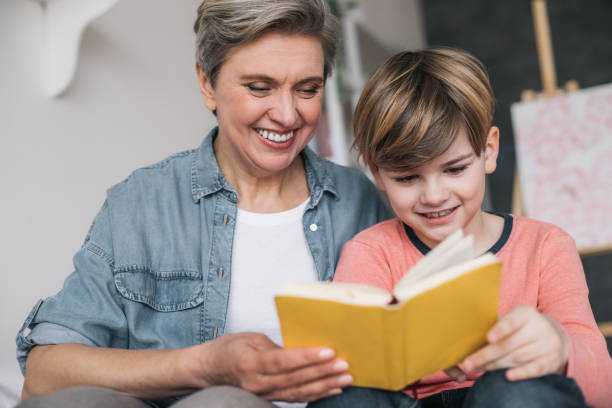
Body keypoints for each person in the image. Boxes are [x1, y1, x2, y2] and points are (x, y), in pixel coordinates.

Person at [15, 1, 392, 407]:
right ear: (207, 84)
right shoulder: (142, 204)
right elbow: (43, 377)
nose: (286, 115)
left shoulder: (361, 204)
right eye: (259, 87)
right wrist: (206, 367)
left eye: (307, 89)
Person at [308, 48, 612, 408]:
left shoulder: (545, 245)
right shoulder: (370, 252)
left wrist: (561, 349)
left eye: (454, 169)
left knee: (519, 391)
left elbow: (604, 389)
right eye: (407, 177)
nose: (434, 196)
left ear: (489, 150)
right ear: (378, 174)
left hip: (508, 397)